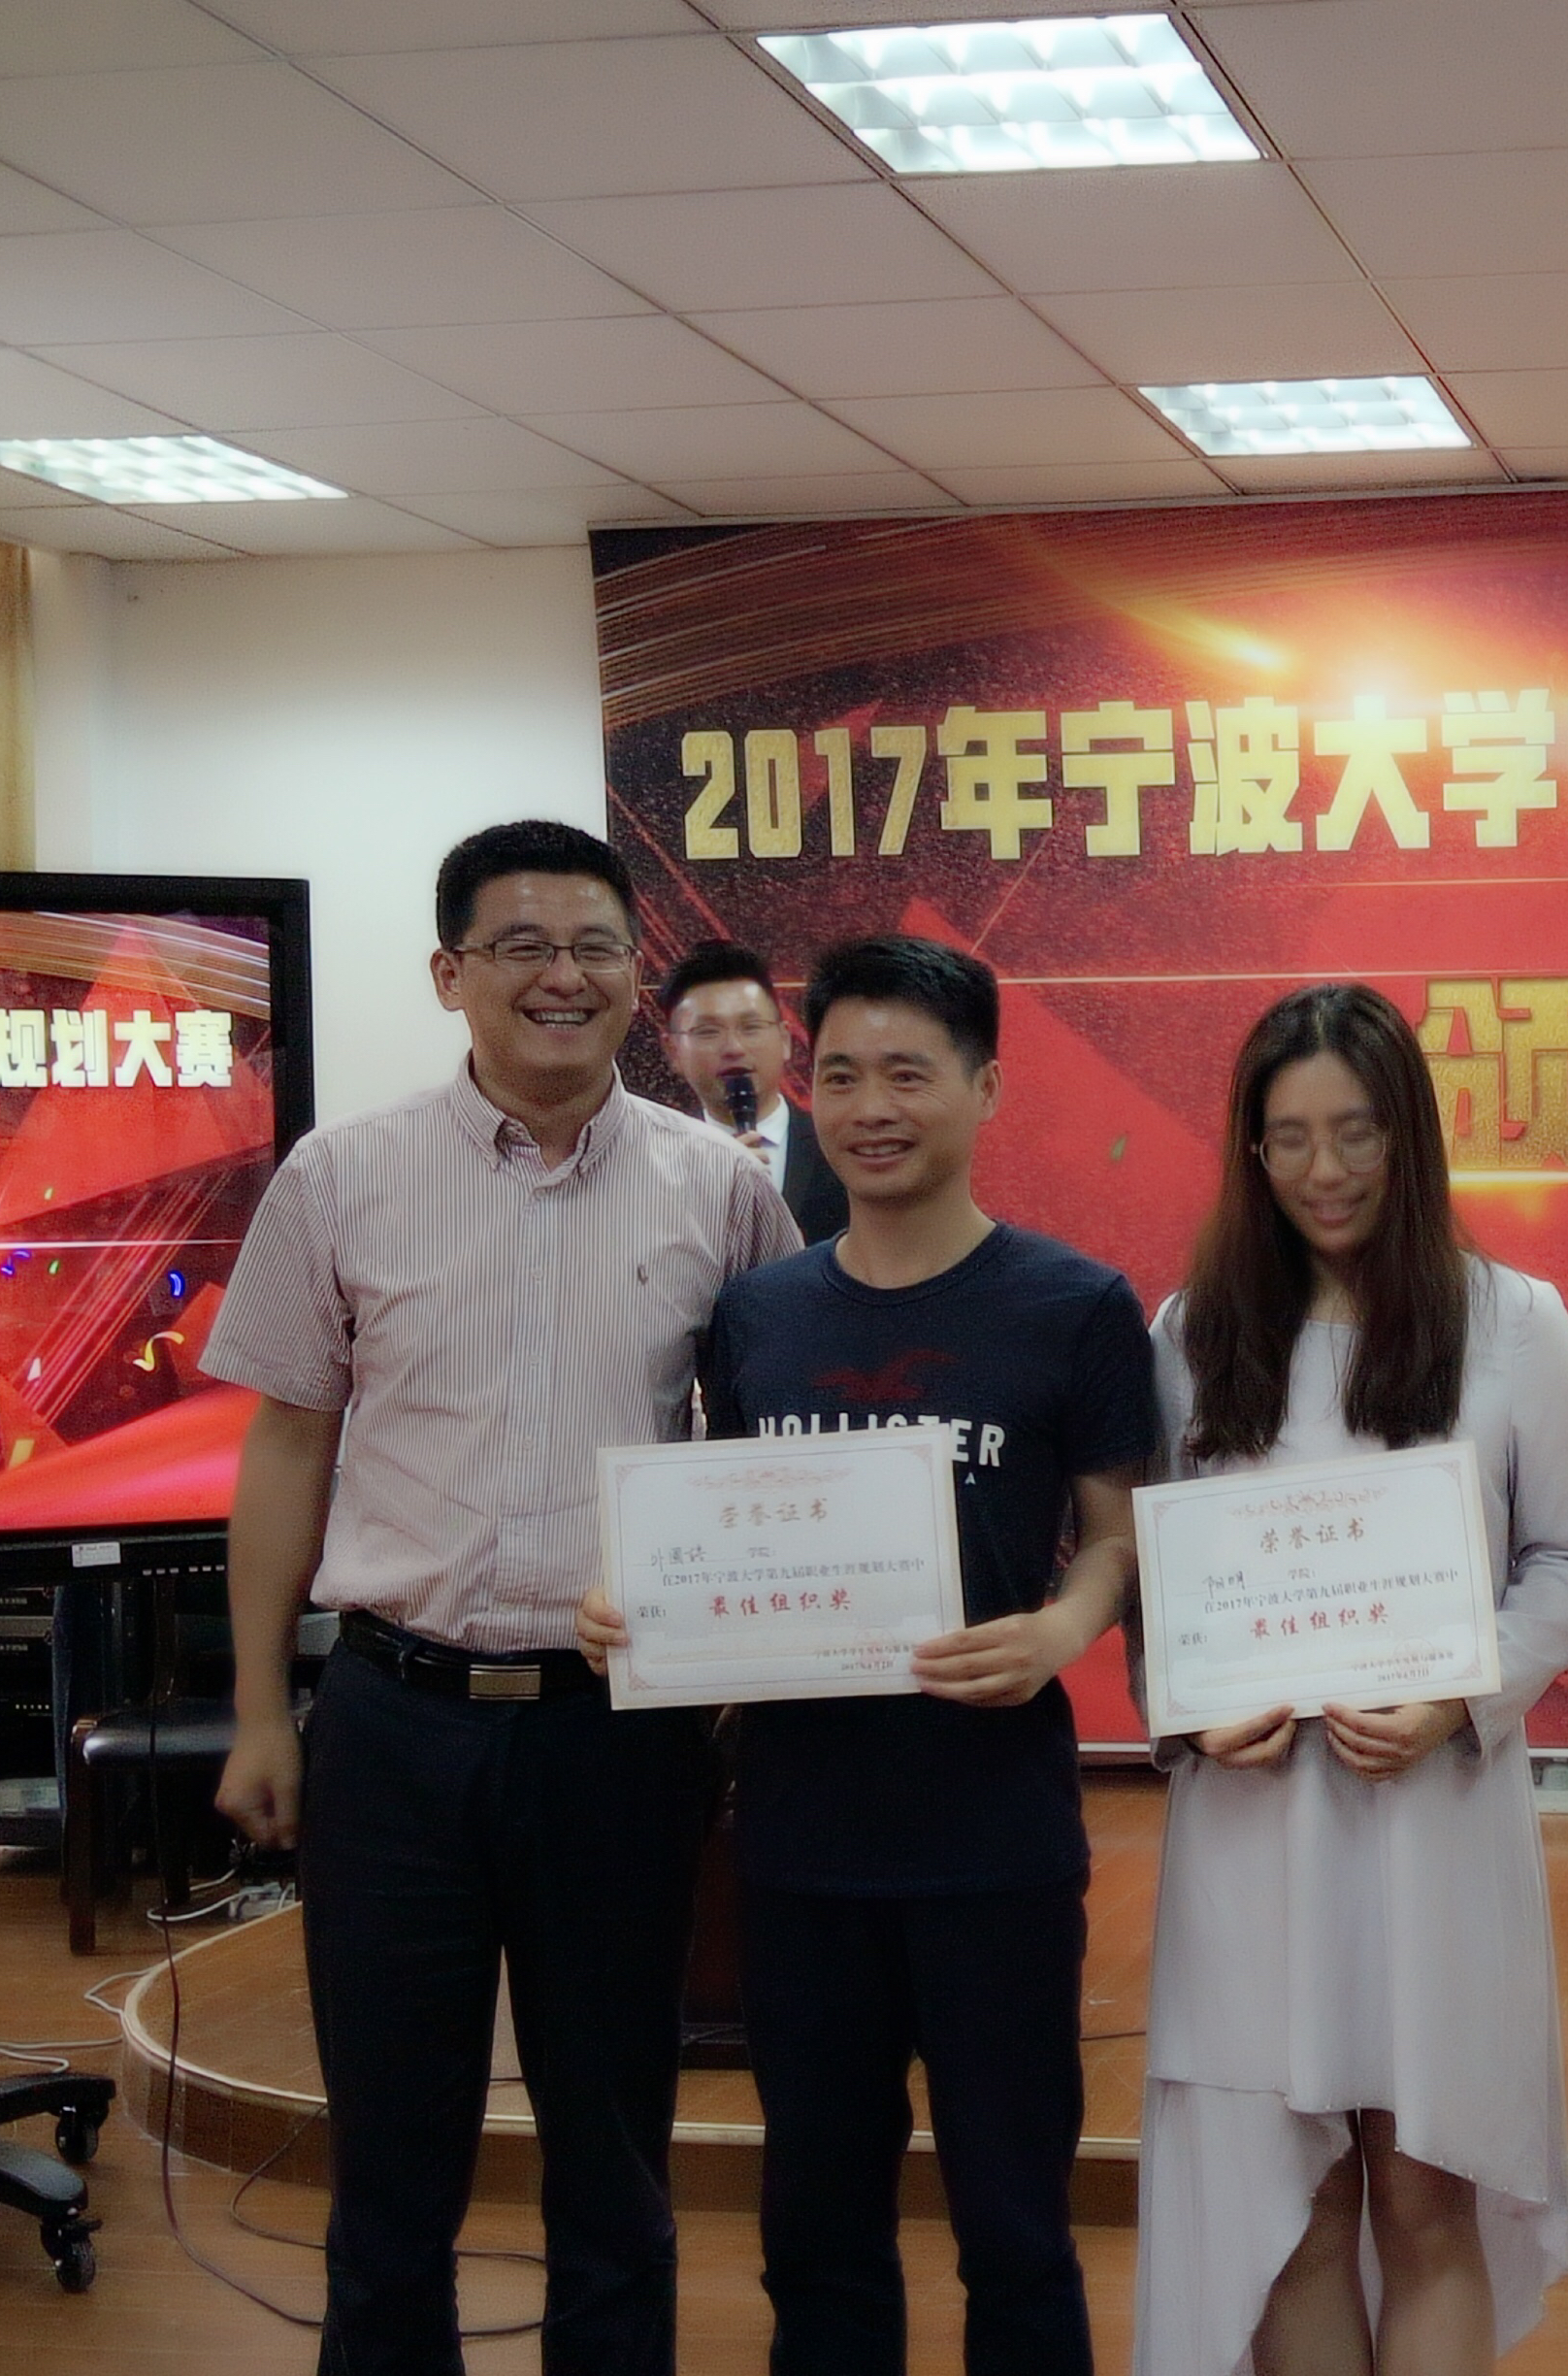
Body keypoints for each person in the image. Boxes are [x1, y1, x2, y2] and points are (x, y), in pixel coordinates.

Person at [205, 818, 801, 2374]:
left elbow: (765, 1452)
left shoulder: (718, 1189)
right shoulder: (344, 1176)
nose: (564, 977)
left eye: (597, 947)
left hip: (618, 1737)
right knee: (391, 2156)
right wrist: (262, 1709)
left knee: (614, 2151)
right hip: (394, 1725)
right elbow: (288, 1445)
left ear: (634, 980)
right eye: (524, 946)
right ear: (449, 972)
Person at [581, 934, 1155, 2376]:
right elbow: (728, 1530)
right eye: (839, 1075)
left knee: (1017, 2226)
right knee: (819, 2230)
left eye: (908, 1073)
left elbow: (1117, 1534)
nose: (870, 1107)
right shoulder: (760, 1313)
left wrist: (1061, 1629)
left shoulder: (1074, 1303)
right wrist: (641, 1607)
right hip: (801, 1847)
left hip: (995, 1841)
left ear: (987, 1087)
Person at [1127, 982, 1568, 2376]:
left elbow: (1564, 1562)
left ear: (1408, 1136)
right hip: (1252, 1828)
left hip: (1432, 1820)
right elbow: (1162, 1580)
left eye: (1356, 1132)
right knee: (1296, 2209)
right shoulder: (1191, 1331)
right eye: (1290, 1138)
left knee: (1423, 2192)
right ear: (1251, 1151)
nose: (1324, 1169)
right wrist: (1193, 1708)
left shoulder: (1514, 1320)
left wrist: (1461, 1699)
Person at [659, 937, 847, 1245]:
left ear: (785, 1041)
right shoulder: (653, 1166)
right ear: (673, 1051)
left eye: (751, 1027)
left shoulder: (840, 1146)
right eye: (708, 1031)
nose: (733, 1047)